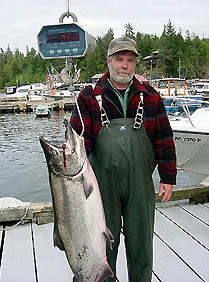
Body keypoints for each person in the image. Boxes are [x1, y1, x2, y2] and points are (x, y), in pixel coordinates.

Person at [70, 36, 177, 282]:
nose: (124, 66)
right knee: (103, 245)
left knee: (141, 244)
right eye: (119, 59)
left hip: (140, 187)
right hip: (100, 187)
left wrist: (168, 177)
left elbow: (164, 138)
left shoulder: (151, 97)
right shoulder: (88, 98)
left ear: (135, 64)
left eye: (129, 60)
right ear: (109, 61)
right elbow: (78, 145)